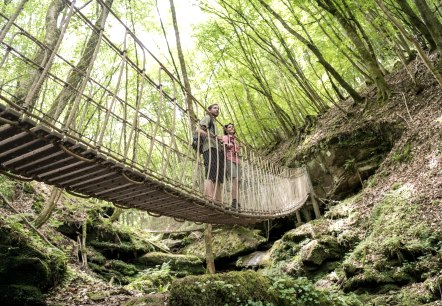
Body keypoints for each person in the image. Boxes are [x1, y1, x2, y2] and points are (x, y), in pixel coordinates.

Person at [196, 104, 224, 204]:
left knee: (218, 176)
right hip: (209, 148)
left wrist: (219, 140)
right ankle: (209, 199)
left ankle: (218, 202)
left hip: (217, 150)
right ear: (209, 110)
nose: (217, 110)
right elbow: (198, 130)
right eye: (215, 108)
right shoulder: (208, 117)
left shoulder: (214, 122)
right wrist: (213, 137)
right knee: (210, 174)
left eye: (218, 108)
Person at [223, 123, 241, 210]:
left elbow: (238, 150)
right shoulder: (226, 137)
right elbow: (225, 144)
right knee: (234, 180)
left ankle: (238, 202)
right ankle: (234, 202)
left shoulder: (236, 140)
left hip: (237, 161)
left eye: (232, 127)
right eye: (229, 127)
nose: (232, 128)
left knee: (238, 182)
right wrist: (227, 145)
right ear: (226, 130)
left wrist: (237, 150)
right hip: (229, 159)